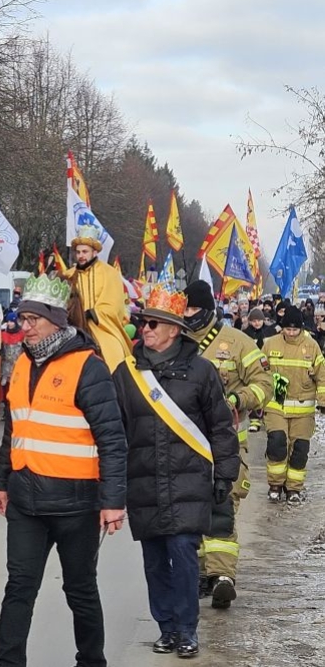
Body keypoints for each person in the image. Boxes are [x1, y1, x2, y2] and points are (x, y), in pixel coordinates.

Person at [0, 273, 127, 667]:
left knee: (80, 590)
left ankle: (91, 661)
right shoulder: (21, 365)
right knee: (19, 588)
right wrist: (2, 482)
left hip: (76, 506)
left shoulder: (89, 367)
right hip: (26, 503)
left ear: (56, 320)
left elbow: (112, 440)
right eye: (22, 318)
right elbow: (13, 430)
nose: (25, 326)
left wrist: (113, 501)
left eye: (33, 319)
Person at [112, 286, 240, 658]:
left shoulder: (201, 371)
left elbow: (220, 426)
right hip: (144, 482)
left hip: (188, 481)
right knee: (154, 561)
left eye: (152, 323)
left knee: (183, 556)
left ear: (174, 330)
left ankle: (187, 629)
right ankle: (166, 627)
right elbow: (115, 431)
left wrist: (225, 474)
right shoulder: (127, 373)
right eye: (142, 323)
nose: (144, 330)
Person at [182, 279, 271, 609]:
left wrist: (238, 398)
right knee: (193, 512)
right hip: (186, 446)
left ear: (207, 311)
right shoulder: (175, 341)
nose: (188, 315)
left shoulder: (238, 343)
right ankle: (201, 572)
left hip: (228, 444)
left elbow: (264, 384)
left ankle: (223, 576)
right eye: (185, 308)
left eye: (193, 309)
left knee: (222, 507)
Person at [261, 305, 325, 503]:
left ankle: (293, 488)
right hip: (276, 406)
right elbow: (260, 373)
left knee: (299, 449)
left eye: (295, 329)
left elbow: (322, 376)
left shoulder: (311, 346)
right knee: (277, 443)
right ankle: (275, 484)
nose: (291, 333)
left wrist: (323, 401)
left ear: (301, 328)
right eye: (287, 329)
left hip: (303, 408)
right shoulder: (270, 344)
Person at [64, 224, 132, 372]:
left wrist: (92, 314)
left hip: (101, 327)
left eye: (85, 252)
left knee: (113, 352)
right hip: (72, 327)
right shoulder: (68, 275)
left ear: (94, 252)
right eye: (78, 252)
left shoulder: (110, 273)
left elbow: (114, 304)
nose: (81, 255)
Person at [243, 307, 277, 431]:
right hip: (252, 366)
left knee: (268, 391)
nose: (257, 323)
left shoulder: (270, 332)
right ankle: (254, 419)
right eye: (254, 321)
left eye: (259, 320)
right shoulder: (245, 333)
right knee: (255, 391)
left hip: (268, 366)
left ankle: (268, 417)